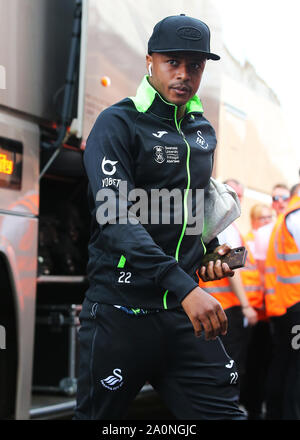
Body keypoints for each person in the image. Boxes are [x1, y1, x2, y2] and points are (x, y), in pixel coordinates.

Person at [74, 14, 246, 420]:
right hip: (121, 312)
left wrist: (208, 251)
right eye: (173, 62)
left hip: (182, 315)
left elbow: (185, 215)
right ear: (149, 60)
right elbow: (115, 217)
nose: (184, 74)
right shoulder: (117, 123)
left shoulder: (203, 133)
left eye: (196, 66)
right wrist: (186, 288)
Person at [198, 179, 258, 405]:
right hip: (225, 308)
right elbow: (234, 268)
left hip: (210, 304)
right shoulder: (224, 224)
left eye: (241, 195)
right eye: (236, 195)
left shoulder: (211, 222)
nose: (239, 200)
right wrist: (246, 305)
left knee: (212, 365)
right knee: (228, 365)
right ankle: (226, 408)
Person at [264, 183, 300, 419]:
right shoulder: (295, 216)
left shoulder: (286, 217)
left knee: (285, 363)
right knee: (295, 370)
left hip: (285, 305)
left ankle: (276, 414)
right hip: (295, 304)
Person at [241, 203, 274, 419]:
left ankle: (257, 404)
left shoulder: (269, 239)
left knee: (264, 362)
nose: (267, 221)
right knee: (250, 362)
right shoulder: (249, 242)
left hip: (266, 313)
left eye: (269, 217)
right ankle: (250, 405)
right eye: (263, 218)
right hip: (251, 312)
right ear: (253, 221)